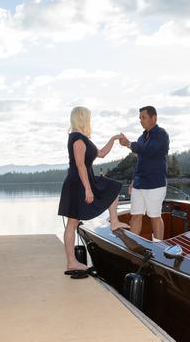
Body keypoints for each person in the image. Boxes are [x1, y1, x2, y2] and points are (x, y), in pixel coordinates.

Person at [58, 106, 129, 278]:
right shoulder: (77, 139)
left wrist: (113, 139)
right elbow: (80, 165)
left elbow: (102, 154)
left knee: (112, 186)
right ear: (82, 118)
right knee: (72, 223)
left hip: (84, 179)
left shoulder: (83, 138)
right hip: (78, 183)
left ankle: (114, 221)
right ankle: (71, 261)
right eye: (88, 117)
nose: (90, 120)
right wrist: (88, 189)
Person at [119, 106, 169, 240]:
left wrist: (129, 144)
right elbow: (140, 162)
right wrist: (134, 181)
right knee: (135, 216)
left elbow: (148, 150)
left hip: (155, 184)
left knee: (155, 217)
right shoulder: (142, 137)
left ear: (154, 118)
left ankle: (158, 246)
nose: (141, 121)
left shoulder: (161, 135)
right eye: (140, 118)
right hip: (139, 184)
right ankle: (134, 246)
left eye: (144, 117)